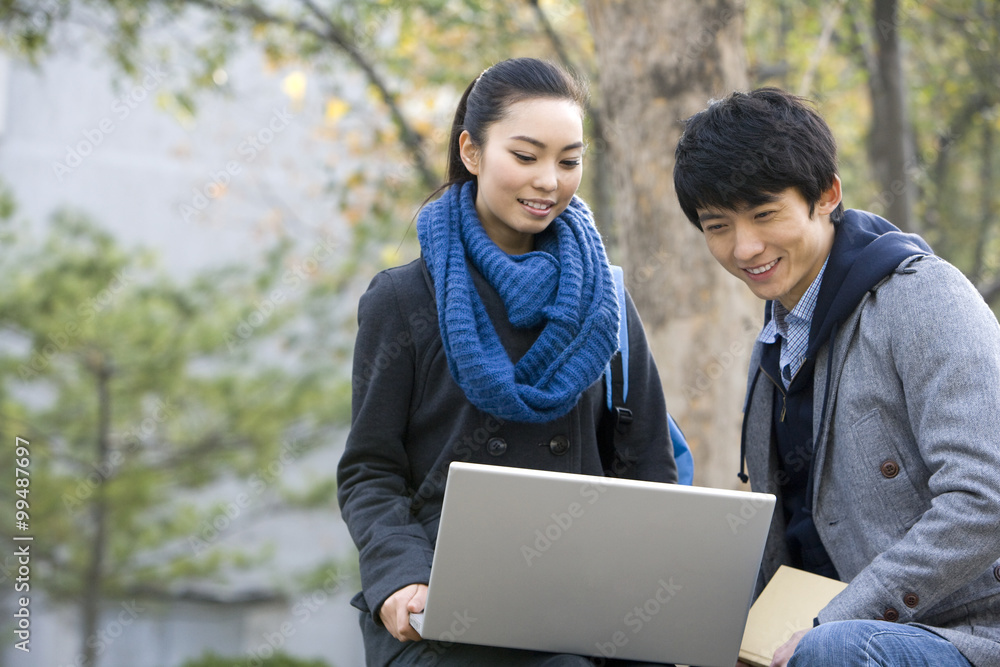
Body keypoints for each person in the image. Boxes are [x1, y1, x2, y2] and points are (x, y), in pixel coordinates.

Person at [337, 57, 678, 667]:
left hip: (588, 606)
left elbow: (648, 465)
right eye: (526, 156)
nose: (549, 180)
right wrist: (399, 576)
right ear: (470, 151)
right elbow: (370, 469)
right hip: (443, 615)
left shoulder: (605, 301)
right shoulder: (402, 300)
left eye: (568, 161)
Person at [672, 86, 1000, 667]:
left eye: (765, 214)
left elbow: (987, 497)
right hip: (806, 636)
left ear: (827, 195)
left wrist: (839, 619)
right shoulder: (772, 343)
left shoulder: (925, 297)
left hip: (960, 636)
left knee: (836, 650)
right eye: (717, 225)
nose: (744, 247)